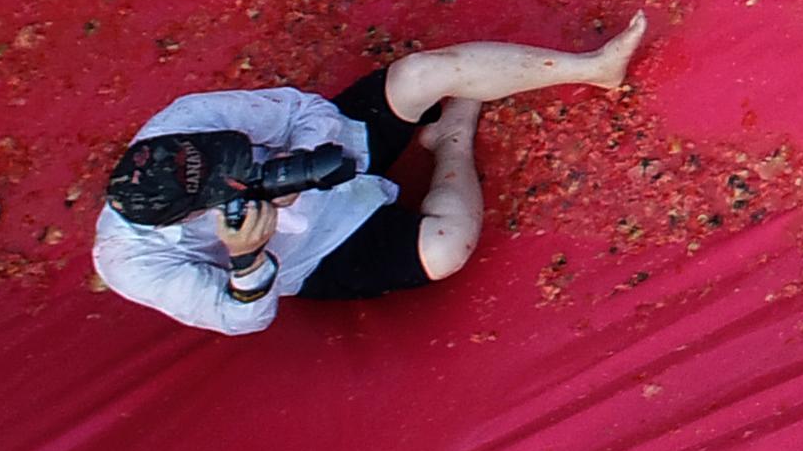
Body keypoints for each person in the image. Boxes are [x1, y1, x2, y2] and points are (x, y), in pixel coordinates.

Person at [93, 19, 648, 329]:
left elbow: (297, 110)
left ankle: (592, 67)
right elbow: (242, 318)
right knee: (445, 248)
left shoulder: (184, 122)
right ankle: (451, 144)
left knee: (424, 73)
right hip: (320, 249)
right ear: (192, 212)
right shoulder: (132, 263)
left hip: (335, 150)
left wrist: (303, 162)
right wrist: (248, 256)